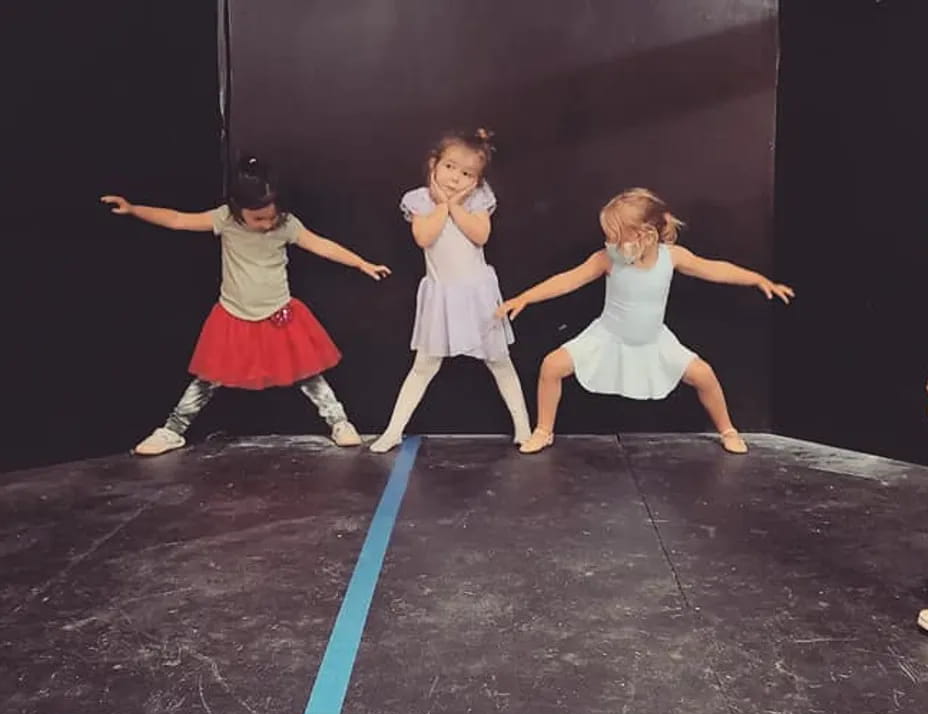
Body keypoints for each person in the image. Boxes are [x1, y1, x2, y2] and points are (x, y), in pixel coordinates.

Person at [101, 156, 390, 456]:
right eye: (258, 219)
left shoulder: (287, 225)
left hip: (279, 314)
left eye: (271, 218)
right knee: (208, 379)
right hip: (234, 316)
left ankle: (339, 422)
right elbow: (177, 219)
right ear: (238, 211)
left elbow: (322, 245)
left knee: (307, 372)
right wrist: (134, 209)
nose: (267, 225)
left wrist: (361, 263)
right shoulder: (224, 219)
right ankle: (172, 430)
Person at [496, 187, 794, 454]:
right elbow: (567, 280)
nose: (608, 240)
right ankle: (543, 431)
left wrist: (757, 279)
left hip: (654, 340)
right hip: (608, 336)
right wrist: (524, 297)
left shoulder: (672, 257)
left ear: (646, 233)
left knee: (704, 375)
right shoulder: (608, 257)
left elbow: (715, 269)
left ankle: (728, 430)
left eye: (615, 234)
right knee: (552, 366)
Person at [370, 130, 530, 453]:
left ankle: (524, 428)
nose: (456, 178)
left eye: (467, 173)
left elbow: (480, 235)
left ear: (477, 180)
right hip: (441, 296)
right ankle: (393, 430)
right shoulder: (419, 200)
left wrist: (456, 205)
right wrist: (442, 205)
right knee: (424, 365)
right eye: (450, 167)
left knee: (500, 361)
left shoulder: (478, 200)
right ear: (434, 164)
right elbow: (424, 237)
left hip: (477, 295)